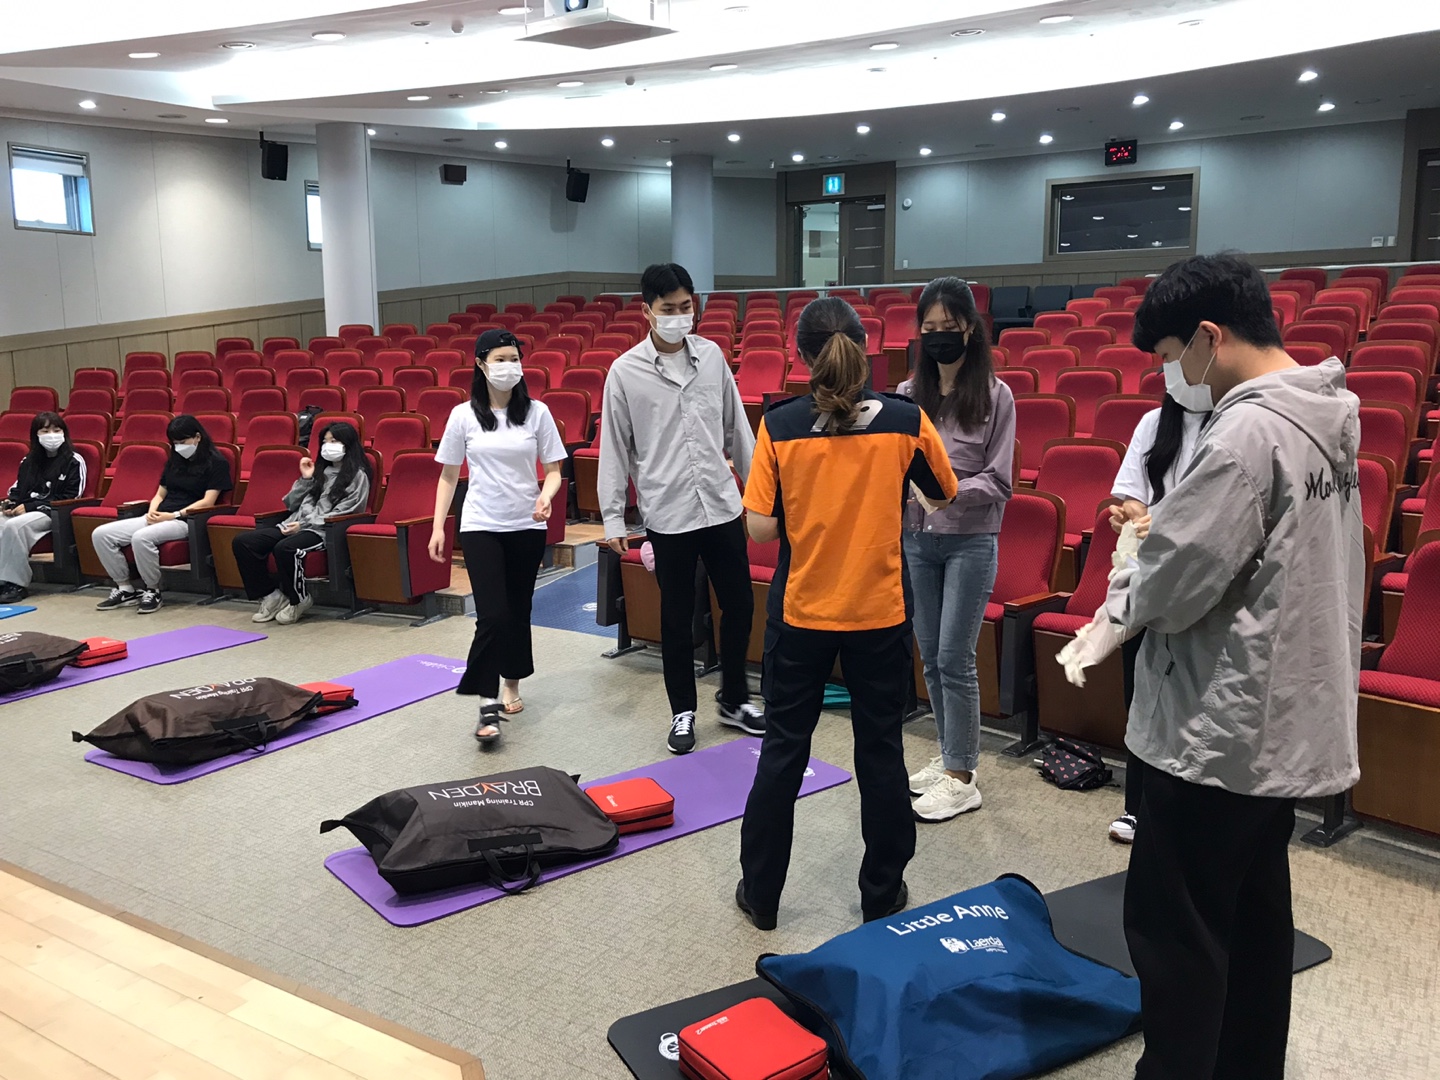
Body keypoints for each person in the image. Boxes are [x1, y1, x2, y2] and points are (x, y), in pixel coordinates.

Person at [1062, 254, 1363, 1080]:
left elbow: (1175, 584)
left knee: (1179, 940)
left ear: (1208, 336)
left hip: (1214, 728)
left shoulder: (1244, 434)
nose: (1172, 375)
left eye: (1170, 356)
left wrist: (1124, 588)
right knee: (1256, 929)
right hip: (1279, 724)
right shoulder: (1327, 418)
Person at [735, 298, 959, 930]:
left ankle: (762, 895)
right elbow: (943, 497)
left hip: (802, 611)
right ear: (865, 347)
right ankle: (881, 895)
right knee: (880, 750)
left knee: (784, 750)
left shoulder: (779, 425)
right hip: (878, 612)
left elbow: (759, 529)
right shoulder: (906, 420)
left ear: (802, 355)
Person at [598, 262, 764, 755]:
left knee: (740, 604)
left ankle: (734, 699)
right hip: (667, 511)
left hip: (720, 504)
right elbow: (614, 448)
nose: (678, 316)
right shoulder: (625, 371)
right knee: (676, 616)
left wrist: (761, 493)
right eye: (667, 309)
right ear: (646, 311)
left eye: (685, 306)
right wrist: (612, 516)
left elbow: (738, 429)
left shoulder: (711, 356)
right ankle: (682, 710)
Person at [897, 277, 1014, 822]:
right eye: (930, 327)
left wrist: (948, 492)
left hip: (970, 540)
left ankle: (964, 777)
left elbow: (1000, 480)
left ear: (970, 328)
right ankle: (949, 757)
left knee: (954, 657)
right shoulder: (906, 395)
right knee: (930, 656)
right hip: (918, 540)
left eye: (949, 326)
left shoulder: (995, 395)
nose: (939, 335)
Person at [431, 328, 566, 746]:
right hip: (480, 524)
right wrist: (438, 526)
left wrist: (546, 496)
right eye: (501, 359)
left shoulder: (537, 413)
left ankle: (512, 681)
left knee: (518, 609)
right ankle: (487, 702)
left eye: (515, 358)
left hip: (526, 525)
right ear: (481, 364)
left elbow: (555, 470)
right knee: (491, 614)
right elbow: (448, 475)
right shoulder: (462, 415)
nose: (509, 366)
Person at [1103, 393, 1207, 844]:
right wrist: (1131, 516)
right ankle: (1137, 807)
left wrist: (1161, 524)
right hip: (1147, 578)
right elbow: (1131, 498)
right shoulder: (1154, 423)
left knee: (1193, 699)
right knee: (1142, 695)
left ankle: (1190, 812)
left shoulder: (1234, 421)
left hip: (1199, 578)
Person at [231, 421, 371, 626]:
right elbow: (290, 503)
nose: (328, 446)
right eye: (325, 441)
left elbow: (347, 510)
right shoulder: (319, 471)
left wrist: (303, 525)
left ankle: (299, 599)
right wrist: (306, 479)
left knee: (285, 548)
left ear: (347, 444)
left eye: (334, 441)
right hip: (293, 524)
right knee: (244, 542)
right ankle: (271, 596)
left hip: (323, 530)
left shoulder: (358, 476)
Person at [93, 414, 231, 614]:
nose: (179, 446)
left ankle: (153, 590)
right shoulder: (174, 460)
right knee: (101, 534)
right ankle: (125, 587)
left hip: (186, 519)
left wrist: (173, 515)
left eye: (183, 441)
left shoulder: (217, 462)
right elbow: (160, 493)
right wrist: (152, 510)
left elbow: (208, 501)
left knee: (141, 538)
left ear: (197, 437)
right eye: (175, 442)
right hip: (160, 515)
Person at [0, 412, 87, 603]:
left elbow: (72, 496)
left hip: (52, 513)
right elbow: (17, 488)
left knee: (14, 527)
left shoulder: (74, 460)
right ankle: (1, 580)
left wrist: (31, 506)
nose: (52, 435)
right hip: (27, 509)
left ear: (64, 433)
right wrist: (12, 503)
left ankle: (16, 584)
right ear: (36, 435)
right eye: (45, 431)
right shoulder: (28, 461)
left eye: (56, 430)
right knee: (1, 521)